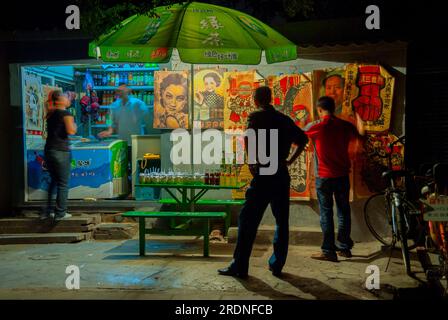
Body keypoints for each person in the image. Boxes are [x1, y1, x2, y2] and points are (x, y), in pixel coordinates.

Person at [218, 86, 308, 278]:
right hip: (281, 174)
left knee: (247, 220)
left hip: (264, 174)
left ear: (255, 100)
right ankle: (277, 265)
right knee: (281, 221)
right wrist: (290, 160)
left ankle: (240, 265)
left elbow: (249, 138)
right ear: (271, 99)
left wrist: (252, 161)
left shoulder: (256, 116)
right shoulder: (285, 120)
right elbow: (303, 139)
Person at [304, 96, 365, 262]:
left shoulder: (315, 126)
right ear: (334, 108)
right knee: (343, 212)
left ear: (319, 109)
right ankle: (344, 248)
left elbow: (300, 137)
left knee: (326, 213)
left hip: (323, 177)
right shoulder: (346, 126)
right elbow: (360, 138)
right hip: (342, 175)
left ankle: (328, 250)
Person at [98, 84, 152, 194]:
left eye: (122, 90)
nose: (119, 92)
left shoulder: (138, 104)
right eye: (118, 91)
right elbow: (111, 122)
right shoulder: (114, 106)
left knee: (136, 168)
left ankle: (137, 192)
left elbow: (148, 121)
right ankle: (125, 191)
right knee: (122, 168)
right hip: (121, 143)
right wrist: (109, 131)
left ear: (129, 91)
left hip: (136, 142)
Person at [42, 90, 77, 220]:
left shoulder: (51, 113)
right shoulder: (65, 114)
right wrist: (74, 124)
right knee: (63, 183)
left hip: (49, 150)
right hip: (61, 151)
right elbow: (71, 131)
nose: (68, 99)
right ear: (60, 101)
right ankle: (60, 213)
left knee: (54, 181)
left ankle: (48, 212)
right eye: (66, 97)